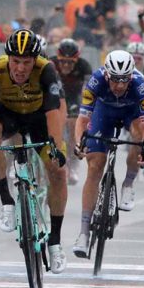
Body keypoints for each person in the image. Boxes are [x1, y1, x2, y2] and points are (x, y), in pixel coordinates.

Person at [0, 28, 68, 274]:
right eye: (15, 61)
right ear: (8, 58)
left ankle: (55, 242)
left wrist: (56, 148)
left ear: (35, 60)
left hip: (38, 118)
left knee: (59, 172)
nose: (20, 68)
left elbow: (54, 112)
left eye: (27, 63)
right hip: (7, 117)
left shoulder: (46, 70)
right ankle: (7, 200)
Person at [72, 50, 144, 257]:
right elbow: (82, 120)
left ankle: (128, 183)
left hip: (131, 113)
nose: (119, 85)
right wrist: (79, 143)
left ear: (131, 77)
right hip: (104, 113)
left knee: (138, 139)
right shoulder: (95, 81)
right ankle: (83, 233)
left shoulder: (139, 85)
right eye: (115, 79)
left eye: (124, 80)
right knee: (94, 167)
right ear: (107, 75)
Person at [50, 38, 92, 185]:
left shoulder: (84, 66)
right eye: (63, 62)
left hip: (74, 97)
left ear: (77, 60)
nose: (66, 65)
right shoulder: (51, 64)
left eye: (70, 62)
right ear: (58, 58)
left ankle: (73, 165)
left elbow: (88, 90)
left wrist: (87, 108)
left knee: (74, 124)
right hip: (55, 97)